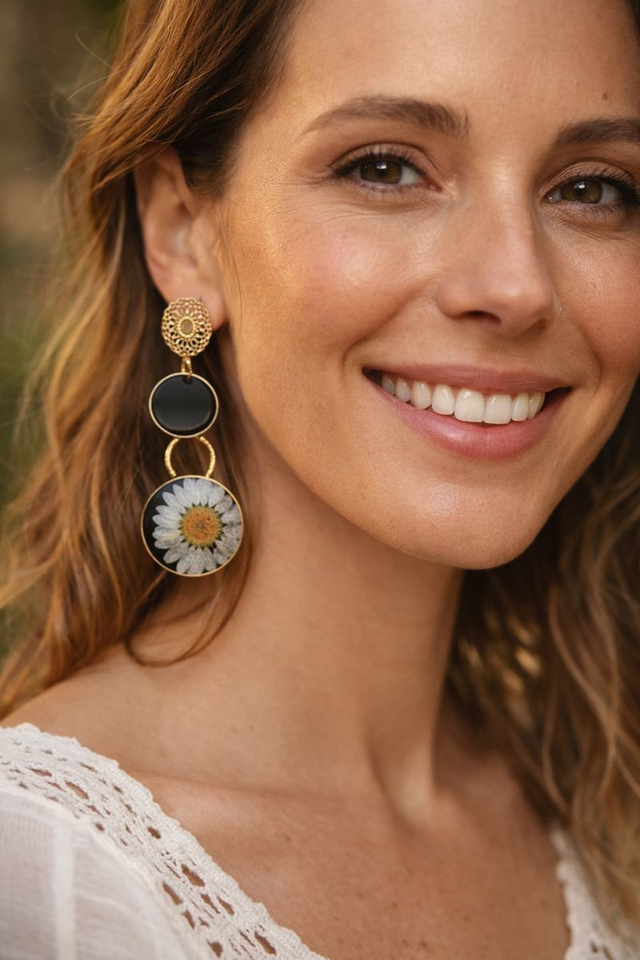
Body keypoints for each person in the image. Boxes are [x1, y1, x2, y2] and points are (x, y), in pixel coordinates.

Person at [1, 0, 640, 956]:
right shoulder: (38, 879)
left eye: (591, 189)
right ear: (183, 230)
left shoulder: (608, 818)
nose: (517, 287)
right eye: (385, 169)